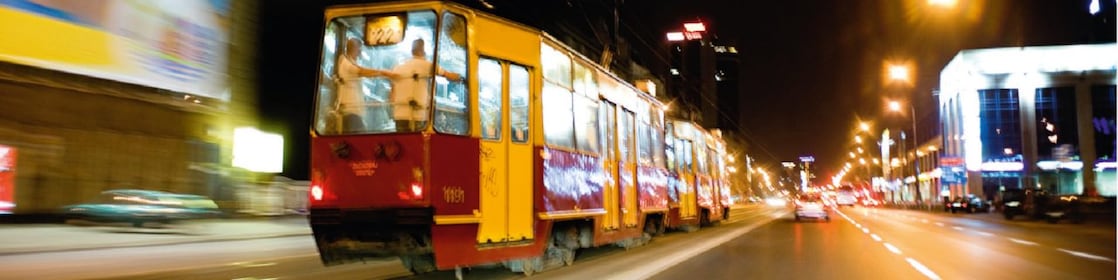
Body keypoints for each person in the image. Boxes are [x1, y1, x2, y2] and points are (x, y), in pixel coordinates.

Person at [389, 38, 463, 132]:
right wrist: (462, 78)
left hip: (399, 115)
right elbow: (449, 75)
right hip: (418, 116)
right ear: (422, 50)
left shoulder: (397, 68)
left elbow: (392, 95)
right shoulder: (427, 65)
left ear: (411, 51)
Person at [336, 38, 395, 133]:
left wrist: (381, 73)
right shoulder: (345, 62)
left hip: (354, 110)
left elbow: (362, 71)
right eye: (360, 48)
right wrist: (383, 72)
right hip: (350, 109)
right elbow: (361, 71)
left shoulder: (351, 62)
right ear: (355, 48)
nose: (361, 51)